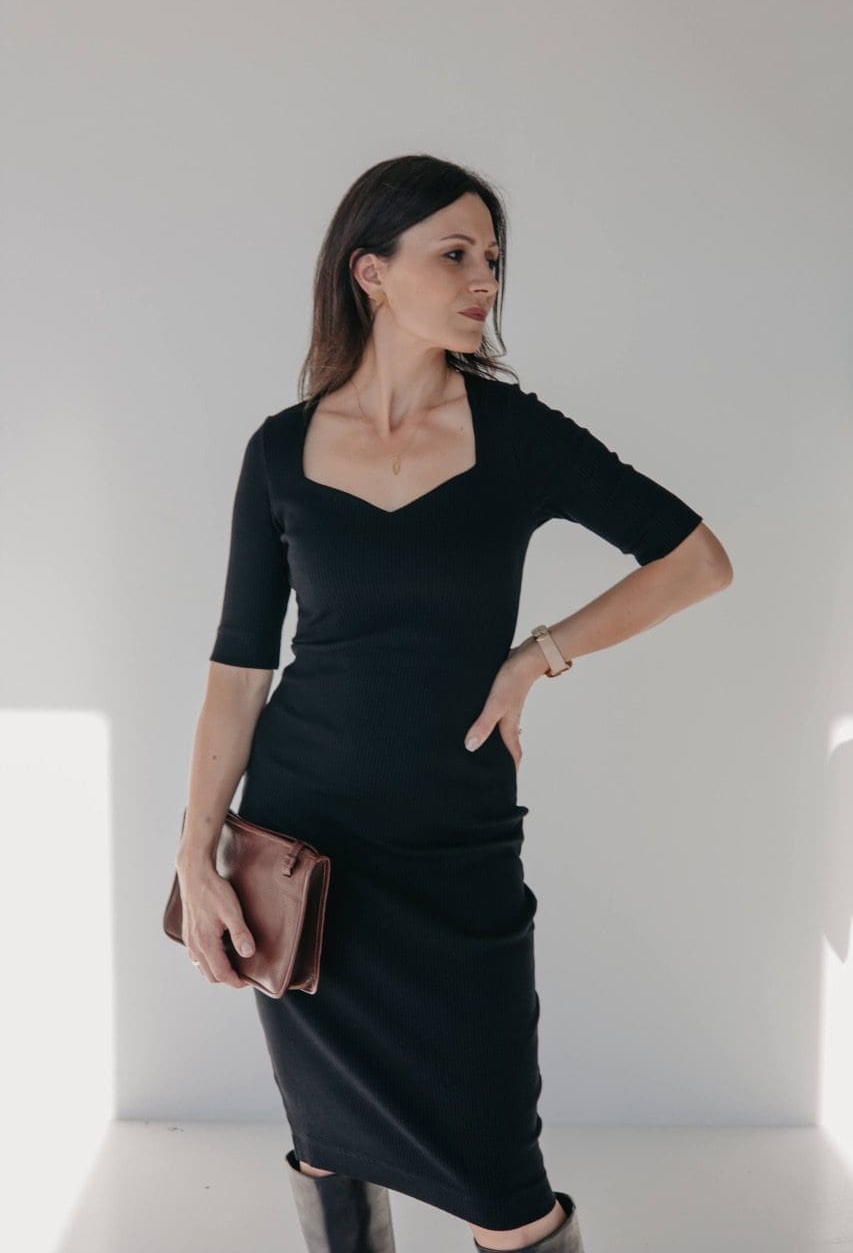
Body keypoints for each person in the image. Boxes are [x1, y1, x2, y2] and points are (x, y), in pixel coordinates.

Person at [175, 153, 732, 1253]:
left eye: (493, 258)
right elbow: (240, 668)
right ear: (371, 272)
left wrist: (538, 656)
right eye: (456, 253)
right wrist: (196, 854)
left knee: (503, 1183)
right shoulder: (280, 451)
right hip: (303, 844)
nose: (485, 279)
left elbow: (695, 559)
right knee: (326, 1140)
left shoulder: (515, 435)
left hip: (453, 840)